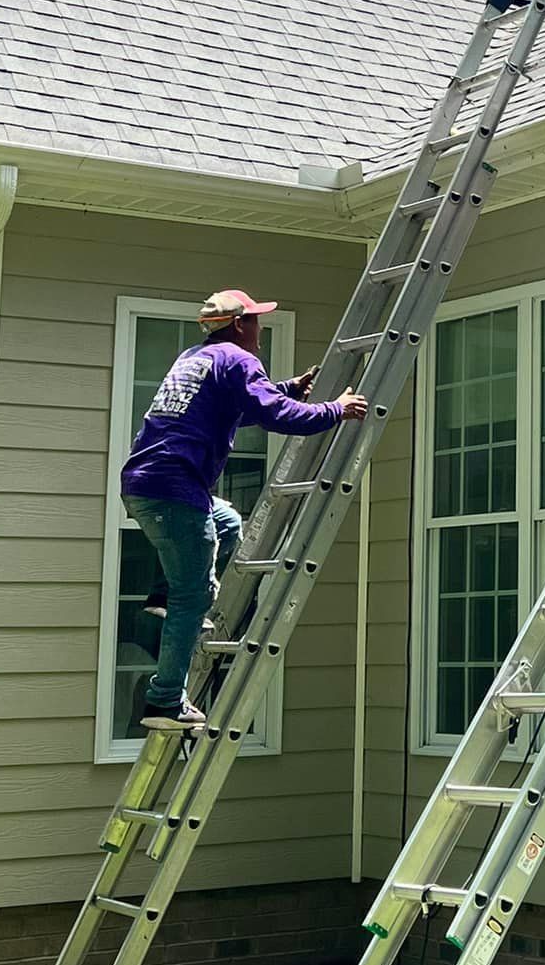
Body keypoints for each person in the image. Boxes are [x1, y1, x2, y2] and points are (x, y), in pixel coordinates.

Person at [120, 289, 369, 732]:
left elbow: (245, 407)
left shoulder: (195, 358)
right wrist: (335, 410)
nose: (260, 329)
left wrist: (290, 389)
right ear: (239, 325)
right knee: (193, 596)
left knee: (227, 521)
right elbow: (275, 416)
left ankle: (163, 598)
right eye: (256, 320)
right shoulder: (238, 359)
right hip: (176, 490)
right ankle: (164, 701)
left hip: (149, 484)